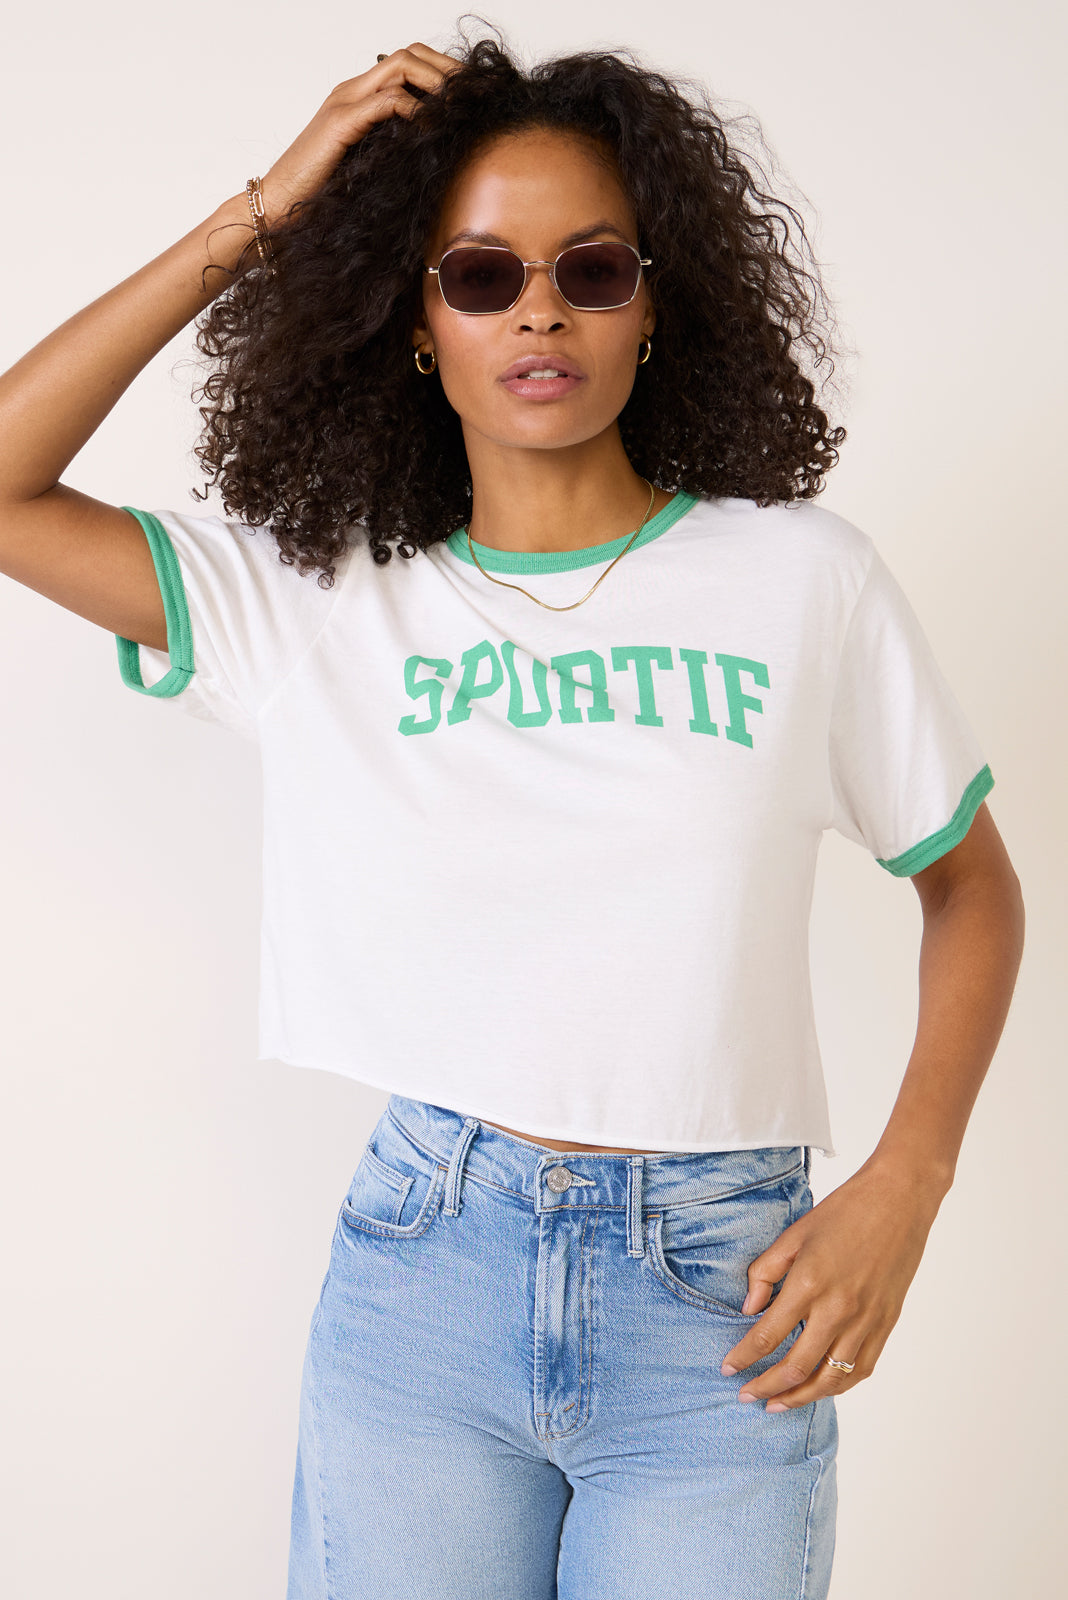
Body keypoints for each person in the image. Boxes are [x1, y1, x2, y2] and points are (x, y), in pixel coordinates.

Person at [0, 27, 1025, 1600]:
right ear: (416, 322)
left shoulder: (800, 582)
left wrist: (908, 1184)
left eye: (589, 270)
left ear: (654, 305)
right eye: (479, 276)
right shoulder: (318, 597)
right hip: (427, 1282)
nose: (537, 310)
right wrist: (262, 214)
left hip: (725, 1297)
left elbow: (971, 889)